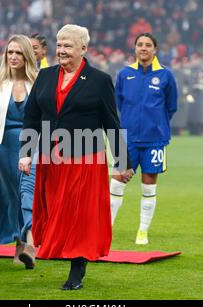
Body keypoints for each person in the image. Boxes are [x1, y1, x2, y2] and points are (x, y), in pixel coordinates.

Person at [19, 24, 134, 290]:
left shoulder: (100, 80)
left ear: (83, 49)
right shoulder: (44, 76)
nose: (61, 50)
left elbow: (111, 124)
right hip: (50, 159)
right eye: (59, 45)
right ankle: (54, 251)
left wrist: (123, 161)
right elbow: (32, 118)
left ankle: (76, 272)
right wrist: (26, 153)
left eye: (68, 46)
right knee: (52, 211)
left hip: (85, 158)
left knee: (80, 216)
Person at [110, 33, 178, 245]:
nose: (144, 48)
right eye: (140, 44)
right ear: (135, 48)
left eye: (148, 45)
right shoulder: (124, 74)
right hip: (126, 138)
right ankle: (107, 230)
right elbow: (118, 104)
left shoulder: (166, 75)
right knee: (116, 184)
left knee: (148, 186)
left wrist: (156, 124)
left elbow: (171, 107)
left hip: (154, 141)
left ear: (155, 50)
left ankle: (142, 231)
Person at [0, 35, 38, 269]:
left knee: (28, 194)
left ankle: (29, 245)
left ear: (27, 56)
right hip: (2, 147)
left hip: (30, 145)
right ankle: (19, 244)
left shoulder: (37, 81)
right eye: (10, 52)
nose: (13, 57)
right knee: (10, 197)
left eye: (18, 53)